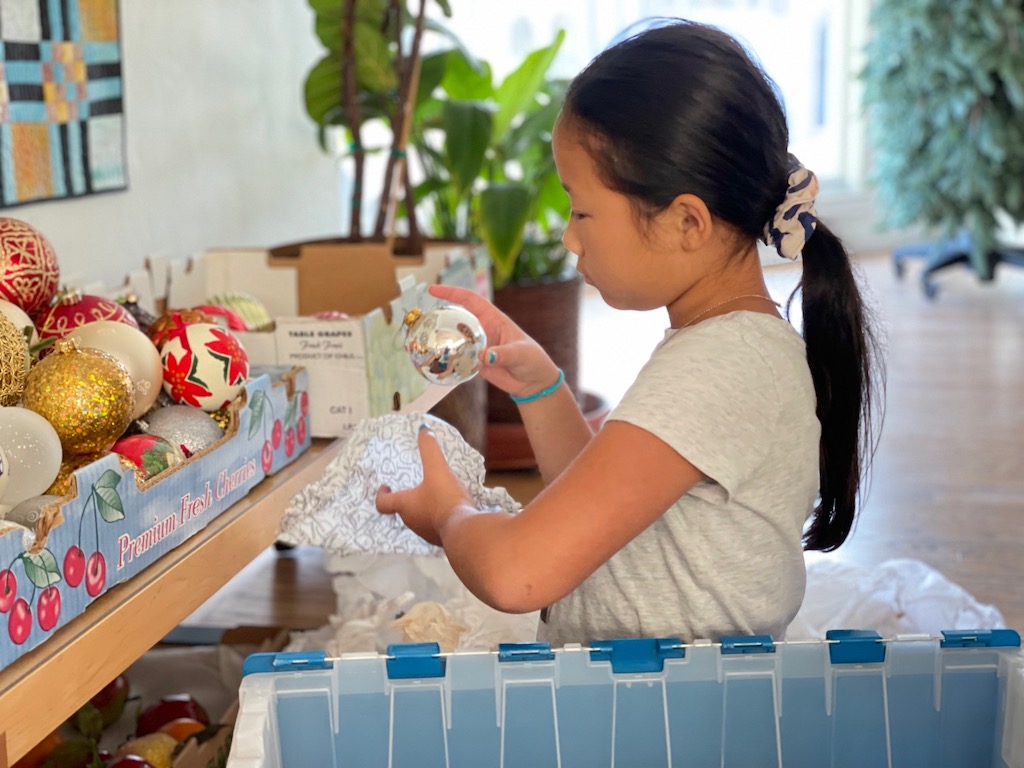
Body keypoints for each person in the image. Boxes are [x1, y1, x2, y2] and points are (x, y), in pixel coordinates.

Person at [376, 19, 882, 645]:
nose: (569, 236)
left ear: (686, 223)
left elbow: (517, 574)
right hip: (656, 709)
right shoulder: (727, 346)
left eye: (582, 209)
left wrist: (449, 513)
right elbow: (604, 514)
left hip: (663, 726)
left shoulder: (721, 365)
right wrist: (540, 386)